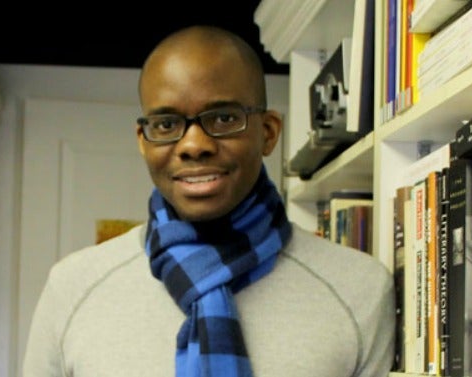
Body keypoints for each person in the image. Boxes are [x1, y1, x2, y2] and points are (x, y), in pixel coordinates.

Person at [23, 25, 394, 377]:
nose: (194, 145)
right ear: (143, 140)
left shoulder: (358, 289)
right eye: (166, 124)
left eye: (224, 118)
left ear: (268, 133)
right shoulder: (72, 288)